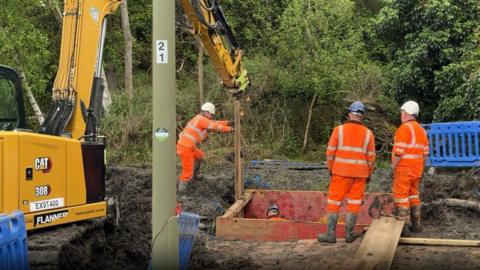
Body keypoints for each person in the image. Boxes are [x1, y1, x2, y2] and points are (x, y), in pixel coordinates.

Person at [318, 101, 376, 243]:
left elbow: (330, 153)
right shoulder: (369, 134)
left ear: (350, 114)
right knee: (354, 203)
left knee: (334, 202)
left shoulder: (339, 130)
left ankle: (330, 234)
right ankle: (349, 234)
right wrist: (369, 173)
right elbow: (372, 158)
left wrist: (331, 169)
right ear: (362, 116)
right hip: (360, 175)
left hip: (340, 173)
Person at [391, 101, 429, 235]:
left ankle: (404, 228)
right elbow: (425, 154)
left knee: (401, 197)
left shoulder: (404, 129)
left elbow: (398, 152)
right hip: (417, 169)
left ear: (407, 113)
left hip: (404, 169)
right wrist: (419, 166)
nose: (401, 115)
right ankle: (416, 225)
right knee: (413, 195)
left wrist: (393, 166)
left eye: (402, 112)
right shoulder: (422, 131)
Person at [177, 102, 233, 191]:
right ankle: (182, 191)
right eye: (211, 114)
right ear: (207, 112)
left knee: (200, 156)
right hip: (185, 148)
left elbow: (214, 122)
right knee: (187, 172)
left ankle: (194, 177)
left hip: (188, 146)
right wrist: (230, 129)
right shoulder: (201, 120)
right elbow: (215, 126)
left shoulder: (201, 118)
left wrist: (228, 122)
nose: (212, 116)